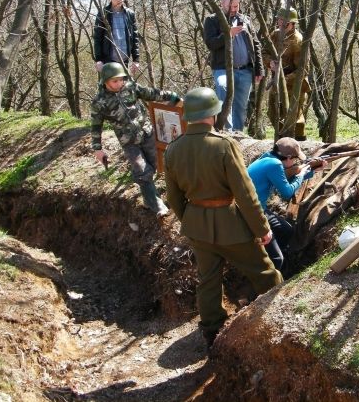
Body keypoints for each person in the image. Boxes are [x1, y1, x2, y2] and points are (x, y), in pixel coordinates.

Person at [163, 87, 282, 348]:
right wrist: (262, 229)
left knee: (208, 281)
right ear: (213, 114)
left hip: (197, 226)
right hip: (231, 225)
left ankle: (212, 332)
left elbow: (173, 198)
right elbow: (246, 194)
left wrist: (192, 220)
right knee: (263, 272)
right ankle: (278, 320)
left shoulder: (173, 150)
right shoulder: (224, 145)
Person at [90, 62, 179, 218]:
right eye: (114, 81)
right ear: (105, 81)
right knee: (142, 169)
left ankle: (151, 198)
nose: (119, 83)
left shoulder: (131, 87)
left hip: (147, 133)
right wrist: (97, 148)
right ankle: (158, 206)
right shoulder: (99, 102)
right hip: (128, 141)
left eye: (121, 79)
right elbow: (96, 125)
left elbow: (151, 93)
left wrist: (170, 95)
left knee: (158, 163)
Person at [246, 137, 324, 271]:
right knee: (278, 259)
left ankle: (280, 258)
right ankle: (272, 274)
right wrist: (300, 175)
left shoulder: (267, 158)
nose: (295, 162)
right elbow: (287, 192)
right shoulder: (275, 165)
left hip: (256, 207)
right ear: (288, 158)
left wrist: (311, 171)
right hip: (253, 213)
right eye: (295, 159)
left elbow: (283, 181)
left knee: (286, 230)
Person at [202, 0, 265, 131]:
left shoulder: (245, 20)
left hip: (245, 70)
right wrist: (228, 34)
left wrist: (259, 69)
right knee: (223, 99)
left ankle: (238, 136)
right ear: (221, 4)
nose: (233, 9)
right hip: (223, 69)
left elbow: (256, 44)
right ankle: (226, 134)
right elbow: (210, 44)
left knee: (241, 107)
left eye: (236, 6)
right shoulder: (212, 20)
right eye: (230, 6)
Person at [266, 7, 310, 140]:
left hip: (294, 84)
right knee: (273, 113)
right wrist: (270, 62)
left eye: (284, 21)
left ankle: (299, 146)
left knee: (295, 120)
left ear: (292, 23)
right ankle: (281, 142)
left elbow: (303, 70)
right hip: (277, 82)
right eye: (279, 20)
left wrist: (283, 80)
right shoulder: (274, 34)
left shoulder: (299, 40)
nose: (280, 23)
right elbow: (264, 52)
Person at [93, 0, 141, 75]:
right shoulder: (103, 14)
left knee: (125, 88)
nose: (119, 0)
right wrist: (98, 59)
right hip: (108, 61)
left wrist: (136, 60)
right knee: (109, 88)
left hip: (125, 61)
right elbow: (97, 38)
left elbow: (135, 38)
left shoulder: (130, 14)